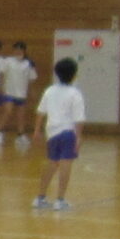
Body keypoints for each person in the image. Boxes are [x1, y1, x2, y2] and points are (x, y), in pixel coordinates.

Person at [30, 56, 87, 211]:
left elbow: (40, 112)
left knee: (52, 162)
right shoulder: (75, 93)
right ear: (74, 74)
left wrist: (36, 130)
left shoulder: (49, 90)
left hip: (52, 133)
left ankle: (40, 197)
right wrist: (78, 137)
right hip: (68, 132)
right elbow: (79, 119)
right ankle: (60, 200)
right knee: (65, 164)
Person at [1, 41, 38, 146]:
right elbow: (2, 75)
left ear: (24, 51)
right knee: (8, 111)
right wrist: (2, 87)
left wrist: (32, 92)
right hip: (9, 92)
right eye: (16, 49)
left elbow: (31, 79)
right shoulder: (7, 61)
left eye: (20, 49)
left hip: (21, 93)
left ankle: (20, 135)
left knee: (21, 115)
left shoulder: (29, 63)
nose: (18, 51)